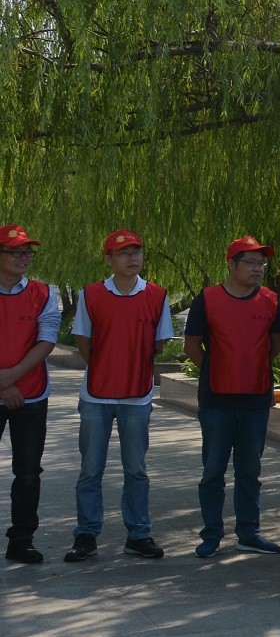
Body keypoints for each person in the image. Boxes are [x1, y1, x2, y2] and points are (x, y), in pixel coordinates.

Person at [67, 229, 174, 563]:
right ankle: (86, 535)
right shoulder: (91, 294)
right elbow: (84, 342)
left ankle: (138, 534)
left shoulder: (156, 294)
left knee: (136, 470)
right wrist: (107, 368)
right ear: (108, 259)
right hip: (96, 396)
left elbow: (159, 343)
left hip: (137, 396)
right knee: (90, 469)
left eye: (136, 252)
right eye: (124, 253)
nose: (132, 258)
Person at [184, 236, 280, 557]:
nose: (258, 268)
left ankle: (249, 532)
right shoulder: (207, 299)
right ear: (231, 265)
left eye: (261, 263)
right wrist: (217, 369)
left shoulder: (271, 300)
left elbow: (275, 345)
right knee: (213, 471)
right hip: (216, 402)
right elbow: (191, 346)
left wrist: (251, 369)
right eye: (251, 263)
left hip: (256, 400)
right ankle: (212, 534)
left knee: (250, 471)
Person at [1, 225, 60, 564]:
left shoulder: (42, 292)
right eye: (15, 252)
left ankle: (21, 540)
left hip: (32, 395)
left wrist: (12, 377)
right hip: (10, 387)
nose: (24, 258)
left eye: (28, 252)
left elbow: (47, 338)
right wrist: (4, 384)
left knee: (27, 473)